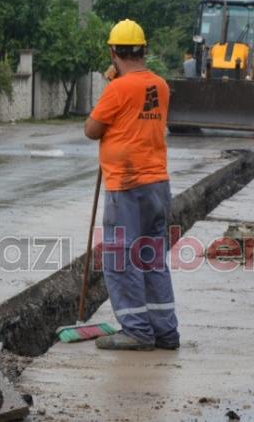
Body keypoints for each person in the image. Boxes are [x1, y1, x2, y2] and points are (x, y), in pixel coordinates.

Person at [84, 19, 180, 351]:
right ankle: (165, 331)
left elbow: (92, 129)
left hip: (126, 185)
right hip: (157, 185)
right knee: (152, 257)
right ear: (144, 49)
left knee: (120, 259)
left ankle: (137, 330)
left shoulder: (118, 89)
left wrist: (112, 84)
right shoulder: (161, 86)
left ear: (113, 51)